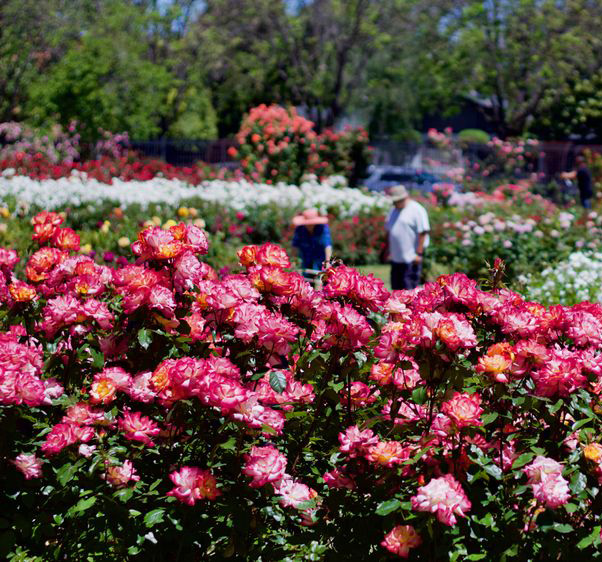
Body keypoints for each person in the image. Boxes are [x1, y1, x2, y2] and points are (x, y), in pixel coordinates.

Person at [385, 184, 430, 290]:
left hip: (411, 258)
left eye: (396, 201)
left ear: (404, 198)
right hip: (396, 259)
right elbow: (389, 230)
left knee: (409, 290)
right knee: (396, 291)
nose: (394, 203)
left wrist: (419, 253)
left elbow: (423, 232)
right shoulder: (393, 210)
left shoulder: (416, 209)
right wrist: (387, 251)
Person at [291, 209, 333, 277]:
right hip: (305, 258)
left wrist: (328, 263)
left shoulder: (323, 228)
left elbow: (327, 246)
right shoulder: (299, 229)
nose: (309, 225)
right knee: (305, 280)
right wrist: (294, 262)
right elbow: (294, 246)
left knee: (322, 280)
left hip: (320, 259)